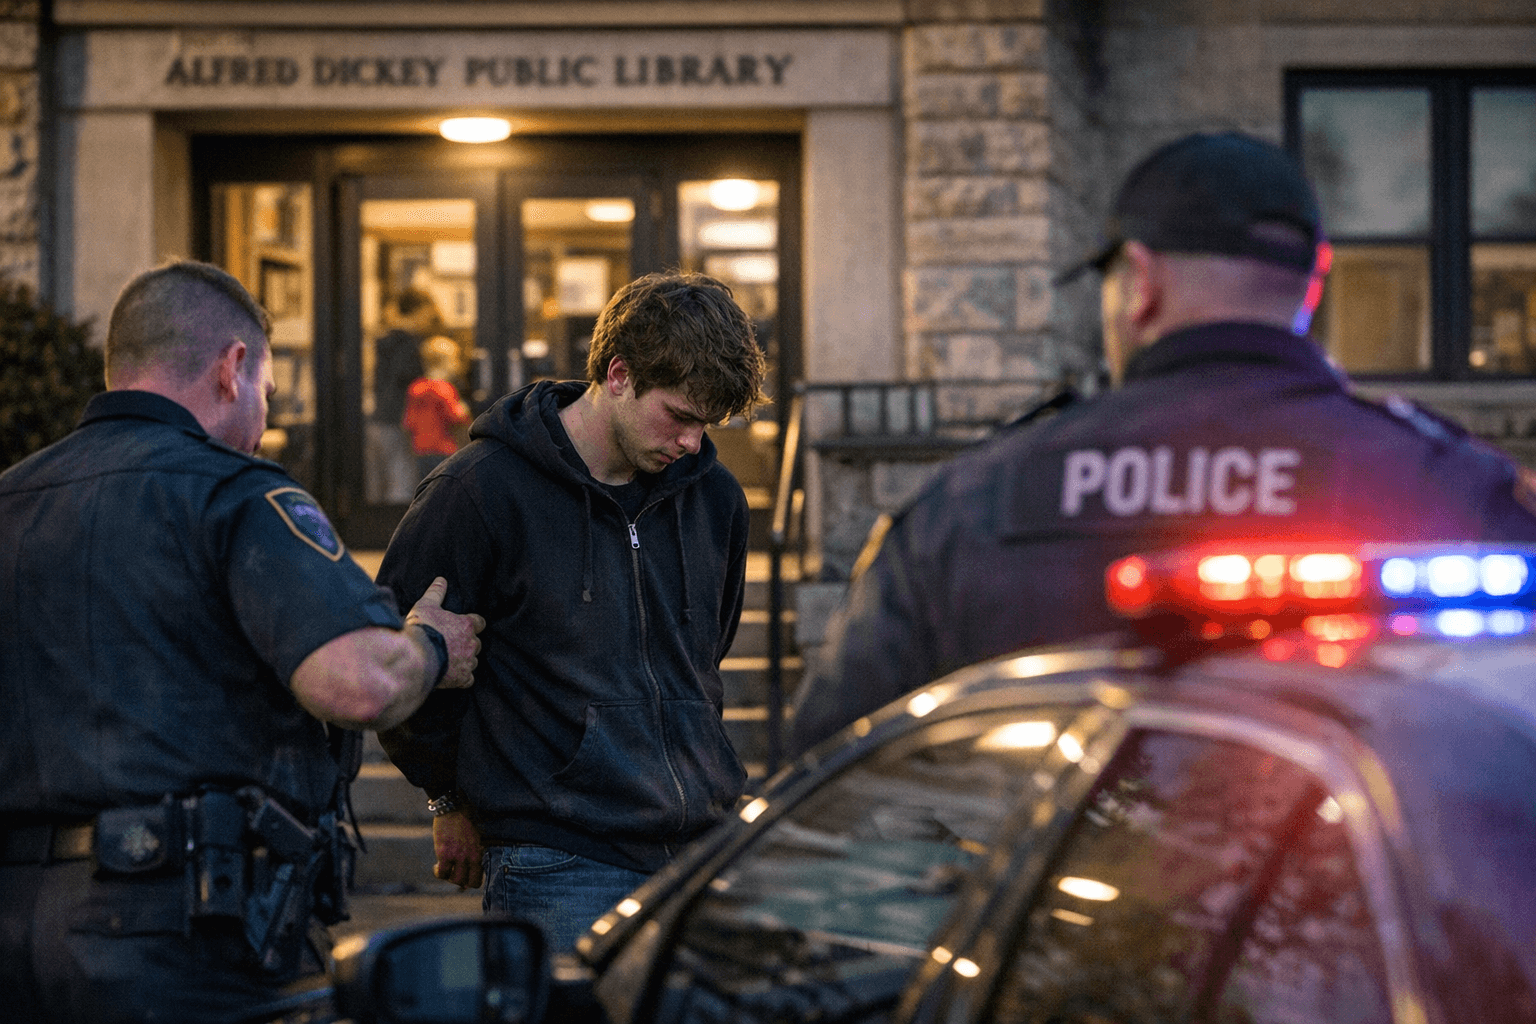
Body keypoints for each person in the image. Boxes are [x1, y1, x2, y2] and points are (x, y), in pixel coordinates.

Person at [790, 130, 1536, 755]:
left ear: (1139, 281)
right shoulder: (1451, 485)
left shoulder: (975, 504)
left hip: (1048, 922)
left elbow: (825, 792)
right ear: (1315, 282)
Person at [0, 260, 485, 1024]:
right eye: (263, 388)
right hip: (183, 935)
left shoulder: (13, 499)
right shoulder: (236, 495)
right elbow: (358, 680)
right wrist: (430, 646)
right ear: (232, 368)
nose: (262, 412)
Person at [377, 272, 767, 952]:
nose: (692, 444)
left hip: (702, 849)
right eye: (679, 416)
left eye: (709, 425)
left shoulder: (716, 499)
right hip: (557, 857)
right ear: (618, 374)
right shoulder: (478, 491)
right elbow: (398, 659)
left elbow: (705, 653)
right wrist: (446, 797)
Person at [368, 288, 439, 503]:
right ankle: (398, 535)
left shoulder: (383, 340)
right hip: (399, 420)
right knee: (402, 484)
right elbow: (412, 384)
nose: (430, 320)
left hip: (377, 418)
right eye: (428, 314)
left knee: (377, 487)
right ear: (417, 312)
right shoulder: (410, 344)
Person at [403, 334, 472, 478]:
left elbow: (408, 422)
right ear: (447, 362)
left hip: (421, 448)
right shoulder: (444, 389)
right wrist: (465, 410)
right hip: (443, 448)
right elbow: (456, 416)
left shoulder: (416, 388)